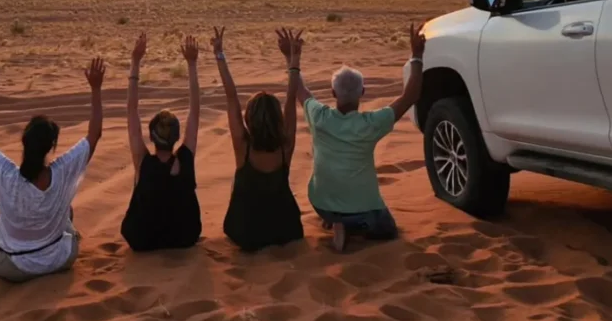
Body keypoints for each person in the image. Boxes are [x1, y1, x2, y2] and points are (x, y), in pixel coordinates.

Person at [289, 24, 426, 252]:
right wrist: (417, 56)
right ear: (363, 93)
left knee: (336, 208)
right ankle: (349, 225)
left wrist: (293, 59)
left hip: (321, 204)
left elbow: (299, 90)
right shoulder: (370, 124)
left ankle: (335, 220)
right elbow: (411, 95)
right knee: (387, 228)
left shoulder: (319, 116)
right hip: (363, 209)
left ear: (333, 94)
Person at [0, 56, 104, 282]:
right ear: (51, 147)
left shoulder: (7, 175)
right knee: (67, 212)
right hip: (60, 259)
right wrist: (96, 89)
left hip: (12, 267)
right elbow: (94, 134)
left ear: (24, 142)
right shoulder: (62, 172)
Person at [214, 27, 304, 251]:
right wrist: (293, 59)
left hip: (246, 232)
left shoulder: (242, 146)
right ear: (277, 118)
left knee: (238, 177)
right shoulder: (286, 146)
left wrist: (219, 54)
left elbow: (231, 96)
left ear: (249, 118)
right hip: (285, 230)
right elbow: (292, 96)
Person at [121, 33, 202, 251]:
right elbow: (195, 110)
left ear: (151, 136)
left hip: (144, 240)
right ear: (177, 137)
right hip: (184, 237)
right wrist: (192, 64)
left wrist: (135, 62)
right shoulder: (186, 157)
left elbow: (131, 110)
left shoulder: (143, 162)